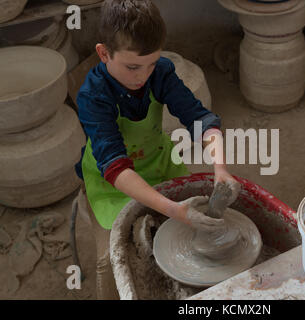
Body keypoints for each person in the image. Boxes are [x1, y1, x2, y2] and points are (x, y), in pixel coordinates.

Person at [74, 0, 240, 299]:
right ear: (104, 53)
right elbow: (115, 168)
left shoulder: (160, 72)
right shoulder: (93, 96)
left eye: (151, 64)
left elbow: (200, 119)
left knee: (193, 225)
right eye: (133, 66)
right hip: (114, 181)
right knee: (126, 248)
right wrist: (175, 210)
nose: (143, 76)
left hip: (159, 159)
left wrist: (221, 168)